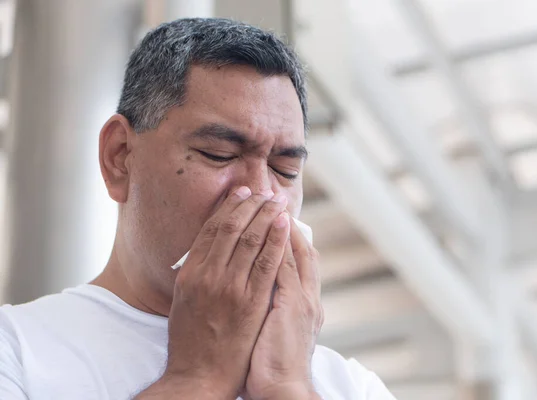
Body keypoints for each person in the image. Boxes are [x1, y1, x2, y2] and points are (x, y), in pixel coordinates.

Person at [0, 18, 396, 400]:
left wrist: (285, 386)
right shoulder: (16, 351)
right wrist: (198, 378)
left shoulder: (353, 386)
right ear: (120, 157)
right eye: (218, 154)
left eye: (284, 169)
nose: (260, 192)